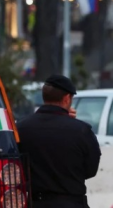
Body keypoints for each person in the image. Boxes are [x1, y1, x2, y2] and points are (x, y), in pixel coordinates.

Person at [17, 74, 101, 208]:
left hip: (36, 203)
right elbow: (91, 170)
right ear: (67, 98)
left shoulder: (21, 128)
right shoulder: (81, 130)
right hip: (72, 203)